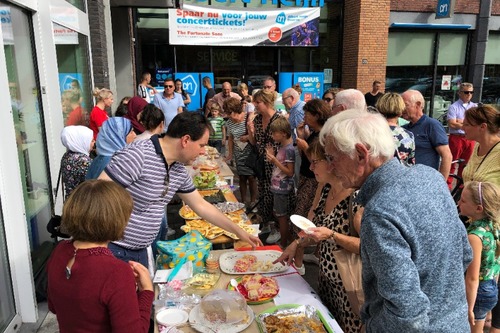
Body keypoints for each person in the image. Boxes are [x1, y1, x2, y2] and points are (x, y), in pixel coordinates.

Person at [318, 108, 472, 332]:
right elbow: (463, 254)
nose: (330, 167)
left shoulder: (380, 211)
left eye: (332, 158)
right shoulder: (430, 177)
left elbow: (407, 314)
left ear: (361, 154)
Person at [99, 112, 262, 267]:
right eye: (201, 145)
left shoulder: (178, 169)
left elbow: (201, 206)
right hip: (113, 249)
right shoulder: (137, 156)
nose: (203, 151)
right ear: (185, 140)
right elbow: (96, 198)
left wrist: (239, 232)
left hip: (140, 249)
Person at [274, 140, 363, 332]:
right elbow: (314, 231)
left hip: (349, 287)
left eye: (315, 162)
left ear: (333, 163)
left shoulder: (356, 197)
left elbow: (368, 247)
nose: (310, 167)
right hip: (326, 280)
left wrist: (333, 235)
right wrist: (296, 244)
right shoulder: (324, 188)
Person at [46, 180, 154, 333]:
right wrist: (147, 292)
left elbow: (54, 306)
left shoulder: (59, 251)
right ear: (118, 221)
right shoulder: (116, 272)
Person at [461, 105, 500, 333]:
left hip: (493, 224)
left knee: (490, 276)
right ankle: (483, 315)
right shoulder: (476, 147)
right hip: (474, 219)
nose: (461, 126)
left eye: (467, 124)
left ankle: (494, 326)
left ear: (482, 127)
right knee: (481, 274)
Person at [294, 99, 331, 270]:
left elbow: (316, 162)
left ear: (317, 115)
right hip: (309, 179)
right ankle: (308, 255)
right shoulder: (316, 132)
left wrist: (305, 146)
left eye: (308, 114)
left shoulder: (324, 136)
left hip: (312, 182)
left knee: (302, 219)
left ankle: (298, 263)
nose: (305, 117)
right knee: (307, 217)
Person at [458, 181, 500, 333]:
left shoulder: (475, 237)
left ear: (478, 208)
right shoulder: (493, 226)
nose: (458, 202)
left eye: (463, 200)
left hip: (478, 292)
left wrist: (469, 308)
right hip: (491, 286)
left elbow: (472, 278)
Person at [247, 89, 282, 239]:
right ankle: (266, 223)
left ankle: (276, 228)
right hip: (262, 162)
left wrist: (275, 156)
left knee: (274, 195)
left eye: (258, 102)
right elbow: (254, 143)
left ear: (267, 103)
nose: (254, 105)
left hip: (275, 164)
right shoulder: (257, 120)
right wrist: (250, 131)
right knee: (263, 192)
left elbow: (286, 142)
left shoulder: (278, 120)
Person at [402, 89, 452, 179]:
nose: (402, 109)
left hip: (426, 181)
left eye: (405, 105)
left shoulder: (432, 125)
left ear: (418, 105)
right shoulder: (404, 129)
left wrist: (441, 183)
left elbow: (447, 156)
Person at [266, 116, 295, 247]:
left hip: (282, 189)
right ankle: (287, 240)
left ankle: (284, 244)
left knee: (282, 217)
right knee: (279, 216)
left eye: (274, 133)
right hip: (278, 188)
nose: (272, 135)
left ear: (283, 133)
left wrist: (274, 160)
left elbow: (290, 172)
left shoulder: (289, 149)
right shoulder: (283, 147)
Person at [224, 97, 257, 208]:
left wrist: (247, 137)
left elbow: (256, 134)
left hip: (250, 151)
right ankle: (243, 201)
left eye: (230, 113)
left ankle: (253, 201)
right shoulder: (229, 123)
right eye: (227, 113)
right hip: (239, 151)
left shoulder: (248, 118)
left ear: (236, 110)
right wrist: (230, 154)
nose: (229, 115)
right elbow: (230, 138)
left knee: (251, 177)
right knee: (242, 177)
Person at [447, 82, 478, 187]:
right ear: (460, 93)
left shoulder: (475, 107)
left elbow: (477, 123)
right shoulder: (454, 107)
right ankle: (447, 186)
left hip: (470, 139)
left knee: (466, 165)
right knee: (452, 162)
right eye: (466, 92)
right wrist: (468, 124)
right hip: (457, 138)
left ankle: (461, 187)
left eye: (471, 92)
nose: (469, 94)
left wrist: (460, 122)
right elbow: (452, 124)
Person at [375, 92, 415, 166]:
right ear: (400, 112)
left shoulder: (372, 132)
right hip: (401, 176)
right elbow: (410, 163)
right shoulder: (408, 135)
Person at [60, 126, 94, 199]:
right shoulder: (84, 161)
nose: (94, 142)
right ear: (82, 142)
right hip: (83, 203)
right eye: (91, 141)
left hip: (70, 200)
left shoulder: (67, 155)